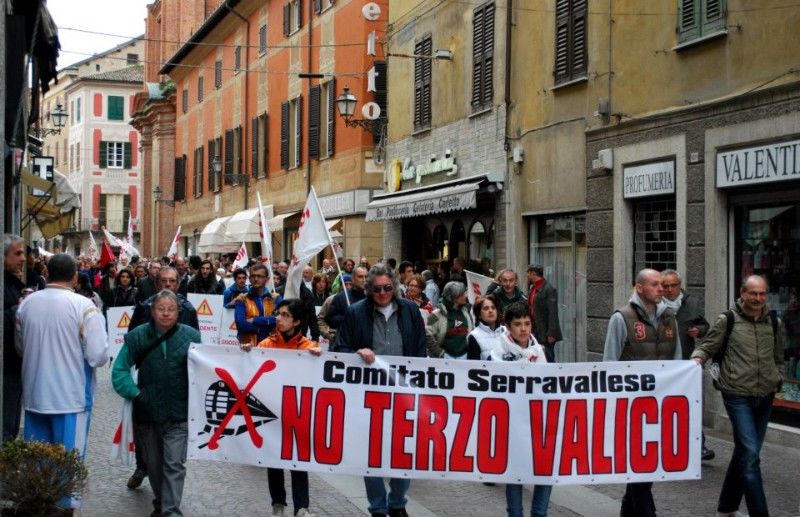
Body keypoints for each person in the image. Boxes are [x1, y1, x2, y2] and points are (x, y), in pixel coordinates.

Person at [15, 253, 108, 510]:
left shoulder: (26, 304)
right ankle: (66, 509)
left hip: (35, 396)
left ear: (47, 273)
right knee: (69, 463)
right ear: (75, 277)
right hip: (71, 398)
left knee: (38, 462)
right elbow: (98, 355)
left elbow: (20, 347)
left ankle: (41, 507)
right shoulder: (84, 307)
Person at [333, 264, 425, 517]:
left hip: (403, 393)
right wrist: (355, 353)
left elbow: (419, 351)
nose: (382, 293)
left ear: (394, 287)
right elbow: (338, 349)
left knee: (403, 451)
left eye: (387, 288)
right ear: (369, 289)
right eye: (376, 289)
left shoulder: (410, 311)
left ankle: (397, 502)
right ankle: (377, 506)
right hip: (367, 395)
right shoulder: (355, 313)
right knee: (369, 452)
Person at [692, 275, 783, 517]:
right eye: (753, 293)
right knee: (751, 456)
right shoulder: (727, 320)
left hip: (765, 395)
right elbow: (708, 346)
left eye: (762, 293)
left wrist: (778, 378)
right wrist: (697, 359)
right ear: (742, 293)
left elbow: (779, 356)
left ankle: (727, 507)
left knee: (744, 453)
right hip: (736, 395)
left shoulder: (774, 321)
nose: (758, 298)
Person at [112, 290, 201, 517]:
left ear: (178, 312)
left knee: (174, 464)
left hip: (179, 412)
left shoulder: (192, 336)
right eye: (161, 309)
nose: (166, 313)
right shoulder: (137, 336)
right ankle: (162, 503)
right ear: (152, 311)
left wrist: (242, 354)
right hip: (147, 413)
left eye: (171, 309)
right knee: (153, 465)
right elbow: (120, 370)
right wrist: (136, 394)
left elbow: (209, 367)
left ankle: (171, 511)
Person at [603, 268, 681, 517]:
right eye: (656, 285)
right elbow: (609, 364)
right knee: (641, 464)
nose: (662, 289)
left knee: (645, 464)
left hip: (659, 407)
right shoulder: (621, 318)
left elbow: (677, 362)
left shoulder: (670, 318)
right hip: (631, 407)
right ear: (640, 288)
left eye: (664, 285)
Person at [240, 299, 321, 516]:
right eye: (278, 314)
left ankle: (301, 507)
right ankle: (278, 503)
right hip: (272, 413)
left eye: (285, 315)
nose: (278, 318)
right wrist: (247, 353)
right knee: (273, 458)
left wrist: (320, 360)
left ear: (297, 321)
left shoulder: (310, 348)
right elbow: (251, 373)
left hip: (297, 412)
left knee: (298, 460)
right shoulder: (266, 345)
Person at [491, 302, 551, 517]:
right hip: (512, 421)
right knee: (515, 471)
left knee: (545, 469)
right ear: (508, 326)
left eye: (527, 323)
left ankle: (539, 513)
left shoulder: (540, 351)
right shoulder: (497, 353)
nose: (523, 329)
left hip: (538, 419)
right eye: (518, 324)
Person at [660, 269, 714, 461]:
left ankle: (699, 445)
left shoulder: (691, 302)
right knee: (664, 405)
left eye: (673, 285)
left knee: (691, 403)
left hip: (686, 363)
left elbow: (705, 325)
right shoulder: (654, 304)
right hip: (662, 365)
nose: (669, 290)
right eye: (665, 286)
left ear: (680, 286)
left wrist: (699, 330)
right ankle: (665, 443)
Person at [3, 234, 26, 441]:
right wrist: (18, 310)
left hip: (14, 365)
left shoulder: (13, 282)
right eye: (17, 253)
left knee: (11, 424)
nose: (23, 258)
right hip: (6, 367)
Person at [426, 281, 474, 359]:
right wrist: (440, 354)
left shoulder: (467, 311)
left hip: (465, 359)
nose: (466, 296)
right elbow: (427, 334)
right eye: (462, 294)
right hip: (443, 361)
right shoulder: (435, 314)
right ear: (453, 298)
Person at [234, 263, 277, 347]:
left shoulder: (275, 298)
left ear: (267, 279)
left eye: (259, 276)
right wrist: (265, 327)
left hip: (272, 346)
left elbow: (278, 320)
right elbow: (241, 325)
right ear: (249, 279)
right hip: (249, 347)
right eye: (253, 276)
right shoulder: (242, 299)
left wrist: (254, 320)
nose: (256, 279)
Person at [526, 265, 562, 363]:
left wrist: (551, 333)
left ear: (533, 273)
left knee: (548, 357)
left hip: (545, 332)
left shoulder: (549, 289)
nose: (527, 276)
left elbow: (553, 312)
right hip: (535, 329)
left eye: (528, 273)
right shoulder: (533, 288)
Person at [325, 265, 368, 333]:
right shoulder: (341, 297)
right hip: (346, 339)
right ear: (353, 279)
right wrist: (346, 317)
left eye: (366, 277)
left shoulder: (371, 297)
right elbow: (330, 320)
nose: (364, 280)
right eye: (360, 277)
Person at [467, 294, 504, 360]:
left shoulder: (506, 331)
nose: (490, 311)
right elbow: (474, 367)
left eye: (493, 307)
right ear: (479, 315)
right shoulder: (474, 336)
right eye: (486, 308)